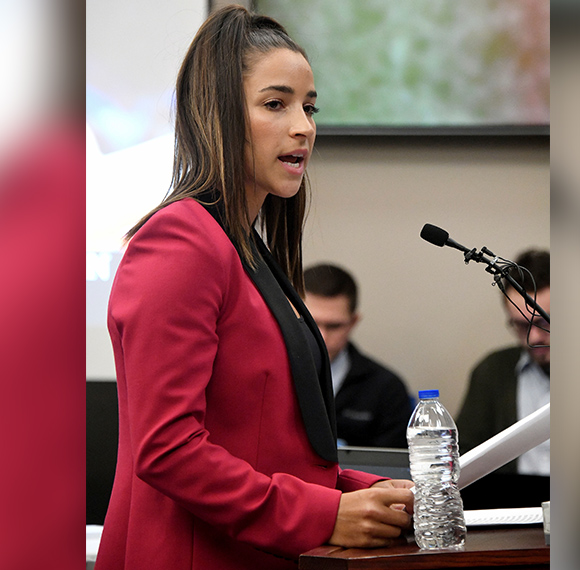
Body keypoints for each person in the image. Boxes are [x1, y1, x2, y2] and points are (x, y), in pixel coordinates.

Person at [93, 7, 413, 570]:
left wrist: (368, 492)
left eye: (310, 108)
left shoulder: (244, 249)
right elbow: (168, 451)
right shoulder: (181, 241)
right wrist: (325, 515)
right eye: (276, 103)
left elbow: (271, 448)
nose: (304, 127)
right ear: (218, 114)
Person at [455, 249, 550, 476]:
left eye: (543, 322)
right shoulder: (492, 372)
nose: (534, 338)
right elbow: (463, 458)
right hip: (513, 505)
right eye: (521, 325)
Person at [303, 263, 413, 448]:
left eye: (334, 326)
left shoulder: (386, 389)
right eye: (311, 323)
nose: (321, 337)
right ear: (290, 317)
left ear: (353, 322)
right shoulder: (264, 376)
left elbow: (393, 471)